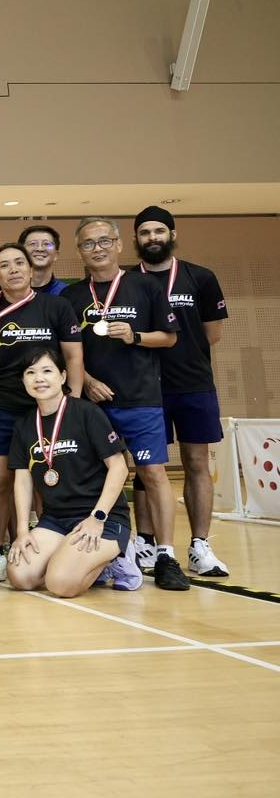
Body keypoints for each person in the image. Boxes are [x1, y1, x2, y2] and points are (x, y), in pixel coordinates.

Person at [60, 217, 186, 591]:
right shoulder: (71, 296)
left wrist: (136, 335)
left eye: (103, 241)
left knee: (152, 474)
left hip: (141, 398)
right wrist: (89, 383)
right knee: (98, 478)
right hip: (91, 404)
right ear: (78, 251)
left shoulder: (145, 285)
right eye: (88, 244)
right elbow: (67, 353)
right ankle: (113, 552)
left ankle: (165, 554)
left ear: (118, 244)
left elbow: (169, 338)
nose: (96, 249)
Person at [0, 243, 85, 582]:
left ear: (32, 270)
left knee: (48, 477)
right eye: (4, 265)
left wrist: (71, 402)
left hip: (46, 408)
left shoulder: (56, 306)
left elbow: (73, 358)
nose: (14, 269)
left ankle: (50, 547)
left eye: (20, 263)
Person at [131, 205, 231, 576]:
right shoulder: (126, 282)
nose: (152, 238)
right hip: (143, 387)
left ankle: (200, 546)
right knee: (147, 466)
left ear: (172, 235)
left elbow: (212, 334)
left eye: (159, 231)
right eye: (145, 233)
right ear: (136, 240)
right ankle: (145, 544)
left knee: (196, 463)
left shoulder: (200, 277)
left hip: (192, 384)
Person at [6, 349, 141, 597]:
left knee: (60, 584)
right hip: (56, 520)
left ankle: (118, 557)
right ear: (23, 381)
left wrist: (97, 517)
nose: (39, 378)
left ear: (63, 376)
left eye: (47, 371)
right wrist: (22, 531)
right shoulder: (24, 425)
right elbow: (23, 480)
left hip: (102, 518)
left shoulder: (87, 413)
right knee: (20, 576)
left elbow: (119, 467)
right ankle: (86, 562)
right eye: (31, 373)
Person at [17, 224, 68, 295]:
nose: (40, 249)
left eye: (47, 244)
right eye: (33, 244)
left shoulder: (66, 292)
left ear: (56, 255)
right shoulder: (6, 293)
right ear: (21, 252)